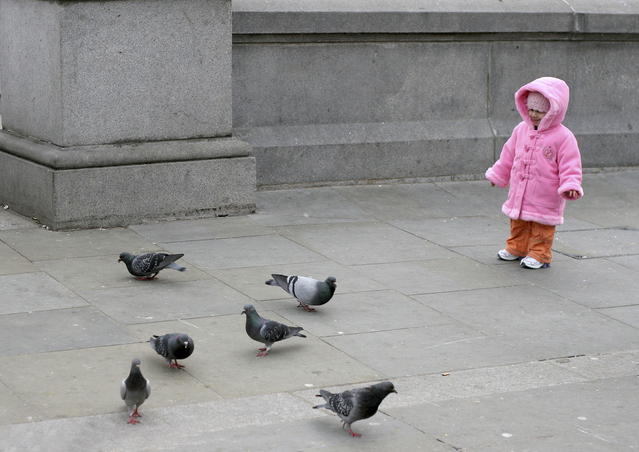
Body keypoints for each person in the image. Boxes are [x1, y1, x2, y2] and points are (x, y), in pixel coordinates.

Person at [486, 77, 583, 269]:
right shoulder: (521, 130)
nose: (534, 114)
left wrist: (571, 184)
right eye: (531, 109)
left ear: (554, 111)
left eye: (540, 111)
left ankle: (540, 254)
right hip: (520, 190)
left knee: (542, 227)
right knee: (518, 222)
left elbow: (570, 163)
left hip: (545, 193)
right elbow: (508, 154)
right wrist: (498, 174)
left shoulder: (563, 137)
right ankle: (517, 247)